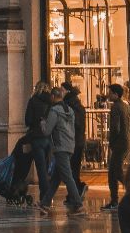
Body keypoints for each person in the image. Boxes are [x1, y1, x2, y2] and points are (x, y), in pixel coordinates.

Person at [39, 85, 84, 213]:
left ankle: (78, 203)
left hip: (60, 147)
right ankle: (45, 203)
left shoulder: (54, 111)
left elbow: (47, 131)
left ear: (53, 97)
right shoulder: (70, 110)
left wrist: (42, 123)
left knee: (68, 176)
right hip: (70, 145)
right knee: (56, 178)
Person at [103, 83, 130, 212]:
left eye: (110, 92)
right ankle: (117, 198)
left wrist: (112, 142)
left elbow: (115, 128)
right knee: (115, 171)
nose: (108, 95)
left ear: (115, 94)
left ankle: (129, 192)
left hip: (119, 143)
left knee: (115, 172)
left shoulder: (116, 108)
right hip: (126, 141)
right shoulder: (126, 106)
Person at [24, 81, 53, 202]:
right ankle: (48, 196)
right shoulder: (51, 102)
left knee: (41, 168)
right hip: (49, 138)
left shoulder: (33, 100)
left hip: (36, 137)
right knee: (47, 167)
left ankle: (44, 196)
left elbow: (28, 120)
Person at [64, 82, 87, 192]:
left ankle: (76, 192)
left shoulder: (70, 106)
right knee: (73, 169)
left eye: (62, 90)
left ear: (67, 91)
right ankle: (75, 192)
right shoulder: (77, 105)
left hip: (73, 141)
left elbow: (76, 124)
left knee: (71, 169)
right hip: (78, 140)